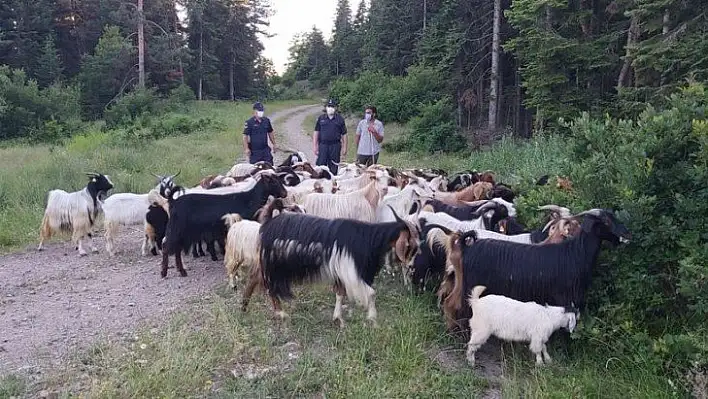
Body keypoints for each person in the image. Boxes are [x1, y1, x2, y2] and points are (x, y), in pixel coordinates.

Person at [313, 98, 347, 175]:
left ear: (335, 108)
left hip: (335, 146)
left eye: (332, 106)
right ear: (326, 107)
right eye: (329, 106)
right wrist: (315, 146)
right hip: (323, 145)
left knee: (334, 166)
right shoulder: (321, 118)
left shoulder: (340, 119)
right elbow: (316, 132)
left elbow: (344, 134)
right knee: (321, 166)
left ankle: (332, 184)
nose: (330, 108)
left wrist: (344, 147)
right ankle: (321, 183)